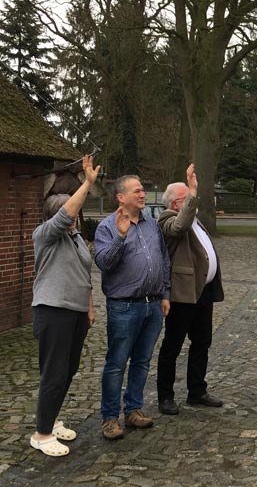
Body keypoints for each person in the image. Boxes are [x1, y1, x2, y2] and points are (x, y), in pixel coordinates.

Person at [30, 155, 100, 457]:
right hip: (53, 310)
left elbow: (84, 274)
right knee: (54, 372)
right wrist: (87, 183)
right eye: (68, 212)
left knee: (68, 370)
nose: (73, 217)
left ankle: (52, 419)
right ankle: (42, 434)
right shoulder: (45, 235)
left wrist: (89, 308)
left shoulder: (76, 238)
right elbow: (64, 215)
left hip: (76, 311)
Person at [95, 174, 171, 440]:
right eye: (137, 191)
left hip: (153, 306)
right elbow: (104, 263)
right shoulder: (107, 227)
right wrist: (121, 236)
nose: (142, 194)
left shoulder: (152, 225)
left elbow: (163, 260)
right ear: (121, 197)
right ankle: (110, 418)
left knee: (142, 361)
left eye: (142, 190)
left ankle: (133, 409)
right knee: (116, 364)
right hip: (124, 307)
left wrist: (165, 293)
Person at [156, 164, 225, 416]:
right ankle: (165, 396)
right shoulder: (167, 219)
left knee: (202, 342)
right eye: (188, 199)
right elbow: (179, 228)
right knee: (172, 346)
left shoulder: (195, 221)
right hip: (182, 294)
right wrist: (193, 192)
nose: (194, 202)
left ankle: (197, 391)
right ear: (176, 204)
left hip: (203, 292)